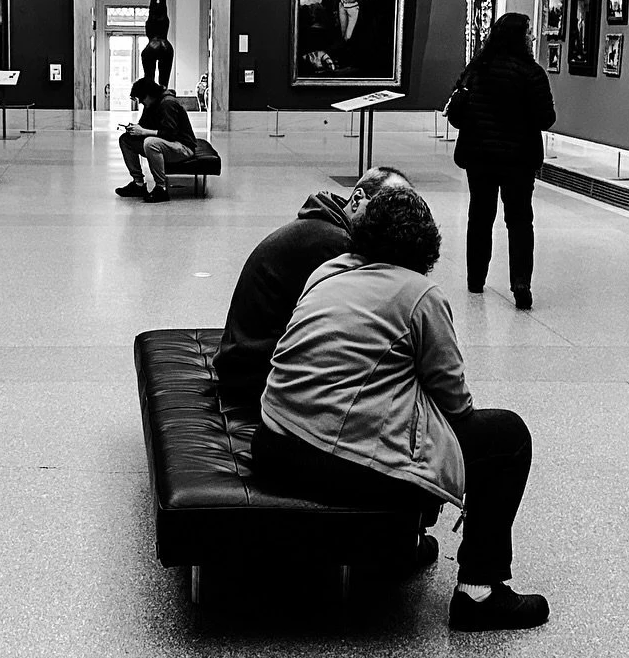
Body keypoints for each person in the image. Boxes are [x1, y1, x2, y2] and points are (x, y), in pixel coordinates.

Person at [253, 184, 548, 630]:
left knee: (398, 408)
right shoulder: (419, 295)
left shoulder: (328, 271)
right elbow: (456, 404)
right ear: (426, 246)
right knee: (505, 438)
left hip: (273, 442)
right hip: (329, 458)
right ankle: (480, 592)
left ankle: (398, 549)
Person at [213, 163, 413, 409]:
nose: (392, 220)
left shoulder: (324, 224)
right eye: (385, 208)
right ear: (358, 198)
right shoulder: (335, 244)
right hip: (254, 374)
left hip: (246, 359)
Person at [447, 11, 556, 310]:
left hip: (479, 155)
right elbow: (546, 118)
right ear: (519, 38)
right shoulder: (532, 73)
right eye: (529, 33)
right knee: (520, 221)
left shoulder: (476, 69)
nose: (533, 38)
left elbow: (457, 112)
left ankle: (475, 280)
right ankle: (521, 283)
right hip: (518, 159)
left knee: (480, 216)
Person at [117, 74, 196, 203]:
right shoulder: (151, 104)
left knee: (150, 143)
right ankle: (138, 184)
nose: (141, 102)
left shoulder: (168, 104)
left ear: (148, 95)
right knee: (126, 140)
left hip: (183, 147)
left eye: (142, 99)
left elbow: (171, 134)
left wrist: (144, 131)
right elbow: (144, 125)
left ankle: (161, 188)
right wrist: (136, 129)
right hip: (167, 144)